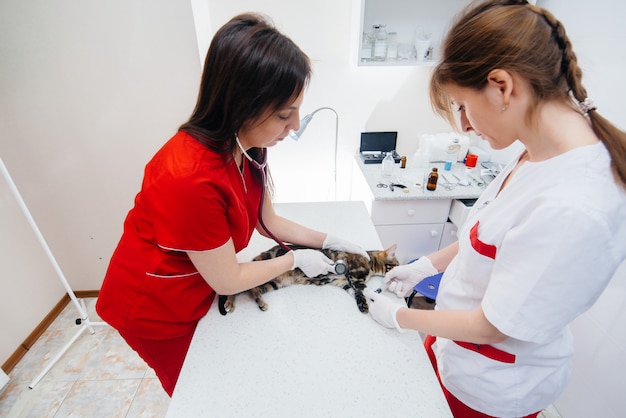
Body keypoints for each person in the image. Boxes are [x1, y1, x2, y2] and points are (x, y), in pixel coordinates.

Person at [364, 1, 626, 417]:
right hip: (455, 348)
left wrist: (401, 318)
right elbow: (484, 235)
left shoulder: (576, 206)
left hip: (492, 386)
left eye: (464, 105)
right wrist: (426, 266)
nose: (464, 125)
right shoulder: (536, 152)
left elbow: (492, 327)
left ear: (501, 86)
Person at [96, 13, 368, 397]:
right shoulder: (187, 176)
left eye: (296, 110)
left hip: (200, 286)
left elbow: (266, 219)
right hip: (156, 307)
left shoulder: (246, 146)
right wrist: (295, 260)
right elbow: (226, 278)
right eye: (284, 114)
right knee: (201, 393)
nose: (295, 126)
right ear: (243, 103)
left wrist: (329, 239)